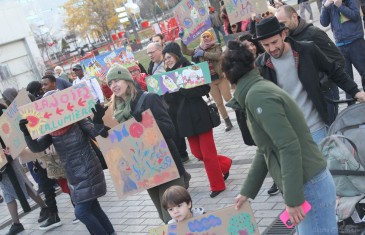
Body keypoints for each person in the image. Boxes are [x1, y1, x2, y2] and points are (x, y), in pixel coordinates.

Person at [222, 40, 338, 235]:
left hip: (308, 185)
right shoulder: (255, 91)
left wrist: (293, 200)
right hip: (306, 183)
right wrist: (247, 190)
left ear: (227, 76)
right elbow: (265, 147)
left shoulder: (257, 95)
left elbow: (288, 146)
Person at [254, 17, 365, 196]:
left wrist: (355, 91)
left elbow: (334, 70)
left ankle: (336, 215)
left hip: (316, 127)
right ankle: (304, 217)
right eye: (266, 45)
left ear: (283, 34)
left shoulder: (307, 49)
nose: (271, 48)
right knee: (299, 183)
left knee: (327, 178)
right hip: (288, 135)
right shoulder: (261, 65)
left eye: (274, 42)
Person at [104, 63, 190, 223]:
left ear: (127, 80)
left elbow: (171, 131)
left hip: (166, 166)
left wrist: (146, 122)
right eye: (110, 83)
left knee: (177, 219)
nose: (113, 85)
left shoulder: (148, 98)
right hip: (145, 171)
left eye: (116, 80)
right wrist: (102, 130)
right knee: (165, 219)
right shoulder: (116, 111)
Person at [19, 96, 115, 234]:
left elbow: (96, 133)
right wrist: (26, 133)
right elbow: (36, 147)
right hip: (73, 176)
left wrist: (98, 120)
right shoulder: (51, 130)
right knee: (93, 207)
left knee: (81, 212)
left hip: (89, 169)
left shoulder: (78, 121)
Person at [162, 42, 232, 198]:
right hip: (184, 121)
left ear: (176, 55)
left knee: (208, 154)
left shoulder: (190, 67)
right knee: (197, 153)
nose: (167, 61)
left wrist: (182, 89)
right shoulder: (166, 76)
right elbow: (167, 100)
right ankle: (225, 164)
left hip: (200, 116)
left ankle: (217, 185)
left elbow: (204, 89)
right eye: (164, 58)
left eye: (169, 57)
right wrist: (169, 91)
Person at [276, 5, 345, 125]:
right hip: (307, 95)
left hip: (326, 92)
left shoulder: (313, 33)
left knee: (330, 127)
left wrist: (321, 81)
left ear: (294, 17)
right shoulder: (286, 38)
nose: (281, 27)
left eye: (283, 23)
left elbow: (338, 60)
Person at [0, 102, 49, 235]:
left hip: (7, 160)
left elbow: (8, 134)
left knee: (23, 186)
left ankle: (45, 208)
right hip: (3, 163)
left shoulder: (2, 114)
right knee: (8, 193)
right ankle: (17, 223)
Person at [180, 30, 234, 131]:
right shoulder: (198, 49)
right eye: (203, 37)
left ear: (211, 37)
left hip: (221, 78)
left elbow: (217, 56)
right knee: (219, 103)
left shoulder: (217, 46)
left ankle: (240, 115)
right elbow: (185, 52)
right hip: (210, 81)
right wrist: (183, 41)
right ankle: (227, 122)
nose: (205, 38)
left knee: (228, 98)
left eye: (207, 36)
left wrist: (204, 53)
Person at [147, 42, 191, 163]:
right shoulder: (152, 65)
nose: (150, 55)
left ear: (160, 50)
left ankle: (182, 153)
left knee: (176, 127)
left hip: (176, 101)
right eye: (148, 53)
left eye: (152, 52)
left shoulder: (169, 64)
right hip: (161, 101)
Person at [320, 0, 365, 91]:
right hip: (340, 45)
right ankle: (350, 103)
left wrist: (340, 6)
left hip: (356, 42)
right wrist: (325, 7)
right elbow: (324, 23)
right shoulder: (326, 1)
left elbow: (356, 15)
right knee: (346, 80)